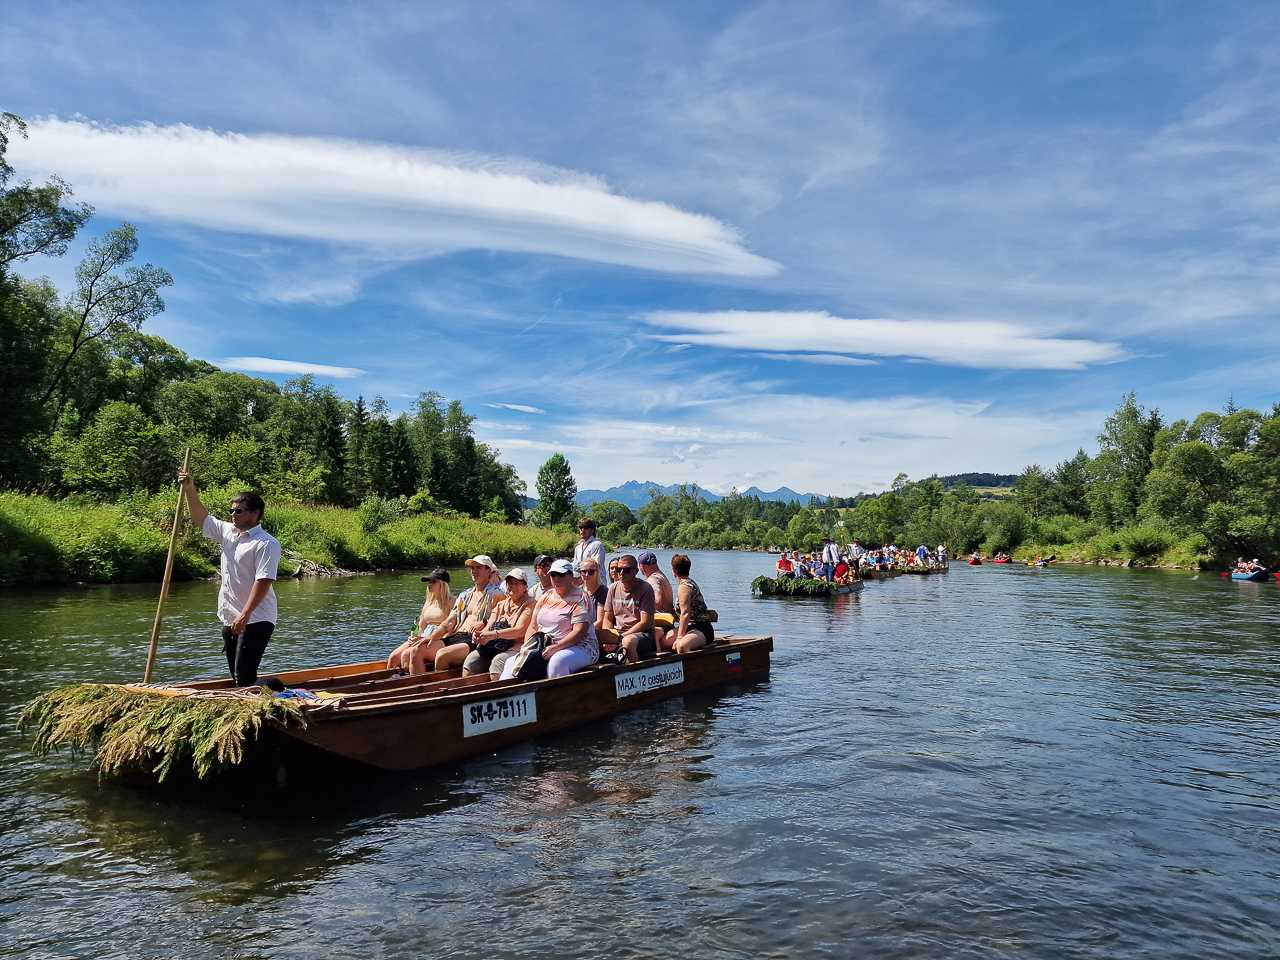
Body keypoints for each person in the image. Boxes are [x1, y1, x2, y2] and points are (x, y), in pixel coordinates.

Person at [177, 469, 281, 687]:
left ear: (255, 513)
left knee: (244, 678)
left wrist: (245, 614)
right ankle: (255, 699)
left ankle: (277, 688)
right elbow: (201, 518)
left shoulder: (266, 543)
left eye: (239, 511)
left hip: (257, 617)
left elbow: (263, 582)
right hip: (230, 617)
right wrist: (189, 489)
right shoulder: (228, 532)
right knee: (238, 679)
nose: (233, 515)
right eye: (231, 511)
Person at [500, 559, 598, 679]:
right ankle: (508, 696)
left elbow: (579, 632)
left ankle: (558, 697)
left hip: (582, 647)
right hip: (545, 645)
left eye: (561, 575)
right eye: (553, 575)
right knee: (511, 662)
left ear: (571, 576)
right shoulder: (546, 596)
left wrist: (556, 647)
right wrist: (526, 648)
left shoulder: (581, 598)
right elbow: (533, 626)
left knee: (557, 662)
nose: (556, 579)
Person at [409, 555, 502, 674]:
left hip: (472, 639)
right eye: (472, 568)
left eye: (478, 567)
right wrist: (424, 636)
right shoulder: (463, 596)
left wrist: (484, 622)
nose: (474, 571)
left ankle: (439, 689)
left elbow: (502, 617)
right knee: (415, 650)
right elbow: (446, 621)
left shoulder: (496, 594)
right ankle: (419, 687)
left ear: (488, 570)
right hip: (453, 636)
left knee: (442, 655)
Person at [448, 568, 536, 677]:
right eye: (509, 583)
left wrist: (494, 635)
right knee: (471, 660)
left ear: (525, 586)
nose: (512, 586)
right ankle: (471, 690)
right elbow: (489, 626)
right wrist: (480, 635)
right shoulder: (501, 605)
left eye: (516, 583)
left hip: (516, 646)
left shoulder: (530, 604)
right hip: (495, 645)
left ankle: (499, 693)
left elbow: (520, 630)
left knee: (498, 662)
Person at [386, 569, 453, 672]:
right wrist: (413, 635)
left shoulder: (452, 602)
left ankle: (407, 681)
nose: (429, 585)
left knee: (406, 655)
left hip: (438, 639)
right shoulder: (428, 602)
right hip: (422, 637)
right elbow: (419, 623)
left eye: (433, 582)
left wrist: (434, 638)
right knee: (393, 657)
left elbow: (452, 628)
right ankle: (391, 681)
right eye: (429, 582)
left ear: (443, 584)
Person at [598, 554, 657, 663]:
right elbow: (607, 618)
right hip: (619, 632)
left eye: (626, 570)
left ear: (636, 571)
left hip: (643, 635)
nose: (621, 573)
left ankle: (634, 675)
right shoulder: (613, 588)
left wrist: (621, 637)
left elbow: (645, 623)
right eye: (619, 569)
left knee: (627, 642)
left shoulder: (645, 589)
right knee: (592, 639)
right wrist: (609, 636)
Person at [669, 553, 714, 654]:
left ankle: (690, 668)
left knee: (682, 646)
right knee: (663, 642)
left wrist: (680, 637)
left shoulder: (685, 586)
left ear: (674, 571)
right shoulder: (686, 583)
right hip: (689, 627)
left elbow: (685, 612)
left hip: (702, 628)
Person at [573, 517, 608, 585]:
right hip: (583, 586)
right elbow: (575, 566)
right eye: (580, 528)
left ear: (592, 530)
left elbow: (595, 566)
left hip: (598, 586)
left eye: (586, 528)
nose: (582, 530)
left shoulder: (597, 545)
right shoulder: (578, 547)